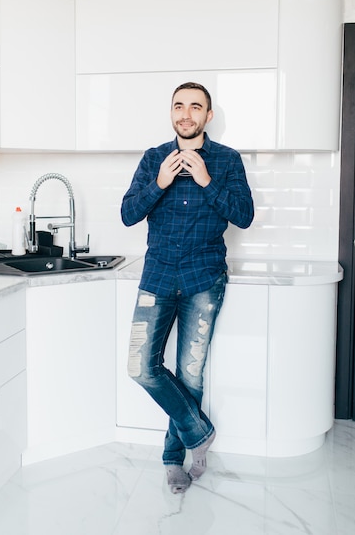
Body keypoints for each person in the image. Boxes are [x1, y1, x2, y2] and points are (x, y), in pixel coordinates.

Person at [121, 82, 254, 494]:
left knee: (190, 374)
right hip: (158, 276)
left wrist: (207, 180)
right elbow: (128, 214)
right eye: (179, 105)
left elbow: (245, 216)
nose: (186, 113)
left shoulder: (227, 161)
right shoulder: (153, 159)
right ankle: (199, 433)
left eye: (195, 106)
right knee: (141, 367)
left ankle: (173, 458)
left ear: (207, 116)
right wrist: (159, 183)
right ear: (172, 112)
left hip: (203, 279)